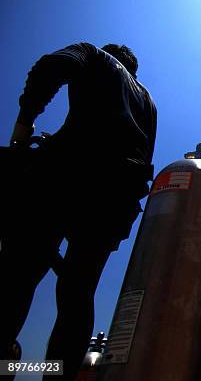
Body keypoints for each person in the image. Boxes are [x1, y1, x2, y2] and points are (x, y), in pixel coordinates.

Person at [0, 42, 157, 380]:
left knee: (21, 273)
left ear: (112, 55)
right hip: (117, 197)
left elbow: (50, 65)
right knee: (78, 292)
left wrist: (23, 126)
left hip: (68, 178)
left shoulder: (94, 55)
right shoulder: (149, 102)